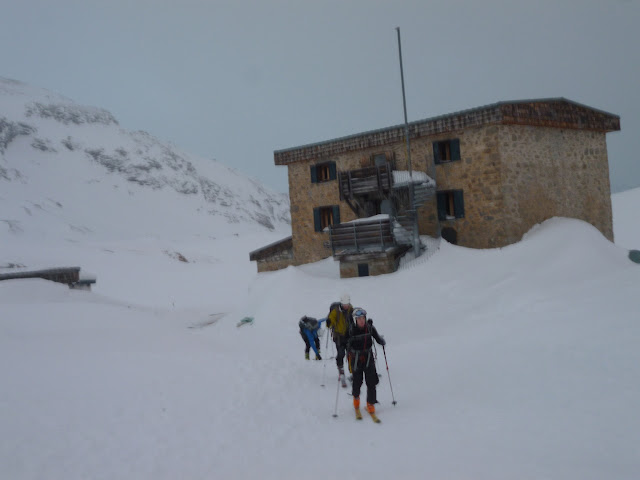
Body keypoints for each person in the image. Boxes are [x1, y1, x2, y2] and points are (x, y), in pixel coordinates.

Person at [347, 308, 385, 415]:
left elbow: (377, 338)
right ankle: (356, 398)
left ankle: (370, 404)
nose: (361, 320)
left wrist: (381, 341)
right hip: (356, 359)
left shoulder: (369, 328)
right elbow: (345, 342)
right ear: (355, 320)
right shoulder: (351, 330)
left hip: (369, 358)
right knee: (357, 382)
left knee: (371, 381)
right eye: (359, 319)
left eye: (363, 318)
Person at [326, 293, 354, 384]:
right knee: (341, 353)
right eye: (345, 304)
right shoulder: (336, 311)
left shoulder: (350, 309)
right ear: (341, 304)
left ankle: (353, 372)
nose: (346, 306)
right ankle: (341, 370)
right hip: (339, 336)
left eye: (347, 304)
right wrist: (329, 322)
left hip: (349, 335)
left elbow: (354, 318)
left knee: (351, 353)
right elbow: (330, 322)